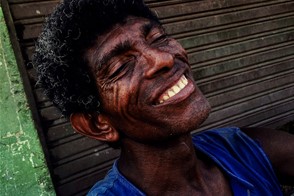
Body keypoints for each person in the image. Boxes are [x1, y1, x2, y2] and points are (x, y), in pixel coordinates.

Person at [33, 0, 294, 195]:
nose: (164, 58)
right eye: (120, 67)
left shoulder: (244, 149)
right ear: (97, 124)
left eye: (158, 38)